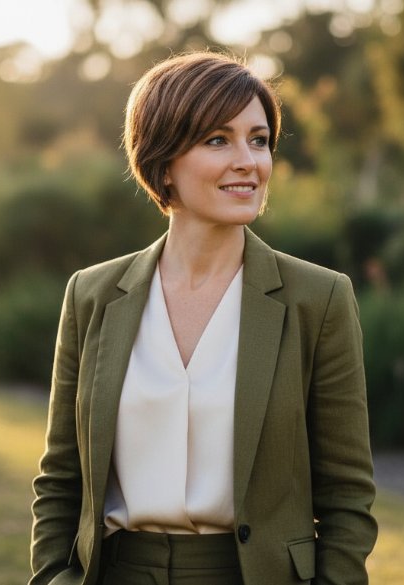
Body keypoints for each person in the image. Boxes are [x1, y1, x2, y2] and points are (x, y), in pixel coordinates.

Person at [29, 51, 377, 585]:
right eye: (218, 139)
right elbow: (61, 476)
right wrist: (54, 577)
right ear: (163, 160)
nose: (248, 161)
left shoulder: (319, 299)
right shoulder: (92, 295)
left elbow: (346, 493)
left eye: (258, 140)